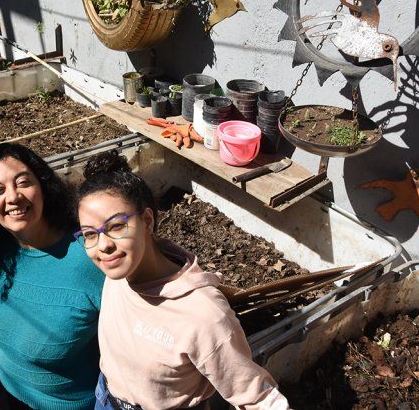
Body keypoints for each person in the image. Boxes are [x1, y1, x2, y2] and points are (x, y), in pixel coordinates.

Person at [75, 151, 290, 410]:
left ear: (147, 221)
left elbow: (257, 397)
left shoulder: (204, 314)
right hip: (106, 397)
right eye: (89, 234)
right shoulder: (117, 272)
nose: (104, 246)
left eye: (117, 226)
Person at [0, 143, 104, 409]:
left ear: (43, 185)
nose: (12, 197)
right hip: (11, 394)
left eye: (23, 183)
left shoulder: (90, 258)